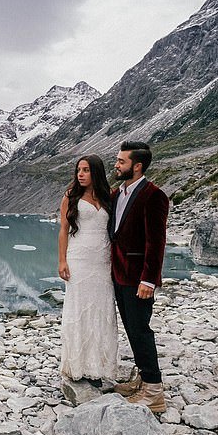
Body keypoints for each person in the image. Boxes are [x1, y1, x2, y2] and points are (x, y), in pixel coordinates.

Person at [108, 141, 169, 412]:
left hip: (137, 279)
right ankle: (142, 379)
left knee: (141, 330)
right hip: (119, 275)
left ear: (137, 166)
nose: (116, 165)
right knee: (132, 329)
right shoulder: (117, 193)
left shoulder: (153, 195)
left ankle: (154, 391)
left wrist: (148, 280)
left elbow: (156, 243)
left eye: (121, 161)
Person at [58, 155, 118, 385]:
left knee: (102, 309)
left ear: (96, 172)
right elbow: (64, 230)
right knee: (79, 308)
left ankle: (99, 365)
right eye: (78, 170)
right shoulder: (70, 196)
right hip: (79, 259)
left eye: (86, 170)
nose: (80, 174)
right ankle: (77, 365)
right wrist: (62, 261)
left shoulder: (108, 196)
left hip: (102, 260)